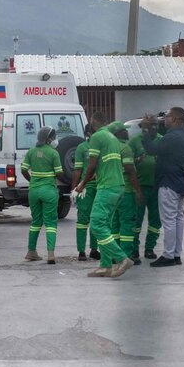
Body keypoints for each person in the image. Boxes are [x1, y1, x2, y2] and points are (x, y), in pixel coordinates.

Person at [73, 112, 135, 279]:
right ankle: (105, 266)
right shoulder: (112, 138)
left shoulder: (97, 137)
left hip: (107, 187)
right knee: (105, 225)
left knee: (96, 225)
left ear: (93, 123)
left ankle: (122, 259)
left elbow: (92, 165)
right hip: (118, 186)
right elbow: (103, 165)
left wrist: (82, 184)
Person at [141, 107, 184, 267]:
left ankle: (168, 255)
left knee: (169, 220)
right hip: (180, 182)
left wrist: (145, 130)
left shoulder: (171, 137)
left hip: (168, 182)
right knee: (178, 219)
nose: (165, 118)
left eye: (168, 116)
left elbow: (151, 149)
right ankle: (176, 254)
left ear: (175, 119)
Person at [21, 126, 63, 264]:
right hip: (49, 191)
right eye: (54, 137)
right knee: (50, 223)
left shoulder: (31, 152)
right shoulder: (53, 153)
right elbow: (59, 173)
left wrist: (32, 180)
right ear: (48, 139)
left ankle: (31, 252)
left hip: (33, 191)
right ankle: (50, 254)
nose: (55, 139)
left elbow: (23, 170)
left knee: (36, 222)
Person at [108, 122, 144, 263]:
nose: (127, 133)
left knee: (114, 225)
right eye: (124, 130)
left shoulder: (107, 148)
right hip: (126, 192)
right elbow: (130, 170)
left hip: (111, 192)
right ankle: (126, 256)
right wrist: (138, 191)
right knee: (127, 224)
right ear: (118, 133)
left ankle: (115, 255)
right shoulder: (125, 148)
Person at [128, 115, 162, 259]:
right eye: (150, 125)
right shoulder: (134, 141)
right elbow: (128, 165)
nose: (154, 127)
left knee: (155, 220)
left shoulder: (162, 140)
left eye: (156, 124)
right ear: (143, 127)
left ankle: (150, 248)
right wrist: (138, 160)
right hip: (140, 187)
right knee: (137, 219)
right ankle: (134, 249)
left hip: (157, 187)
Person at [72, 123, 100, 261]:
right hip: (85, 188)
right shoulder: (82, 148)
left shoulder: (101, 146)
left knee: (96, 218)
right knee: (83, 219)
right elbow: (77, 170)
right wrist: (74, 189)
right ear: (89, 133)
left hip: (100, 187)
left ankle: (94, 249)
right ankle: (81, 251)